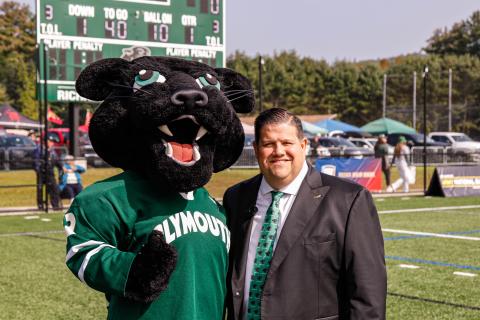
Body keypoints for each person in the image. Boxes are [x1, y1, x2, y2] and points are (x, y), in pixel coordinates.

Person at [223, 108, 386, 320]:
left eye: (287, 143)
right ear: (256, 149)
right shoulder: (236, 198)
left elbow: (368, 291)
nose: (278, 151)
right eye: (268, 144)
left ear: (303, 145)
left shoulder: (348, 200)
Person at [33, 138, 62, 210]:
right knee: (40, 189)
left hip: (50, 173)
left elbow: (57, 161)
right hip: (41, 172)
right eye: (50, 142)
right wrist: (38, 169)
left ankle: (55, 205)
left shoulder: (53, 151)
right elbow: (36, 161)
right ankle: (41, 205)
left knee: (54, 188)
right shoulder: (39, 150)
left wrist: (61, 168)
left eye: (52, 142)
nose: (52, 144)